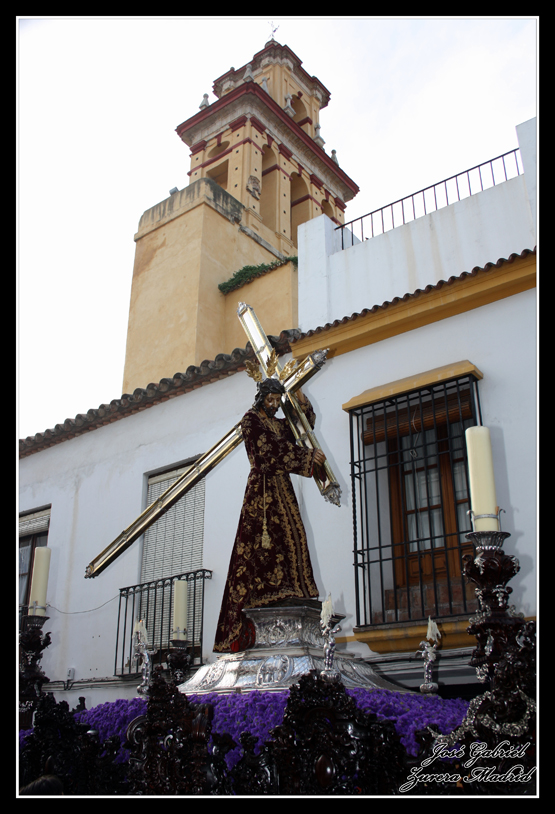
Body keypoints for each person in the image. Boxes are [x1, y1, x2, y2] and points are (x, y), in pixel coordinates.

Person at [214, 378, 326, 653]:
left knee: (292, 538)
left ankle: (290, 590)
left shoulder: (277, 423)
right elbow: (267, 450)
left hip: (281, 487)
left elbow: (300, 427)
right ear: (261, 397)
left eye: (278, 400)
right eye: (271, 400)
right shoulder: (250, 420)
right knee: (263, 544)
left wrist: (300, 399)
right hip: (262, 491)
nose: (275, 405)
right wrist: (307, 459)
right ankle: (264, 595)